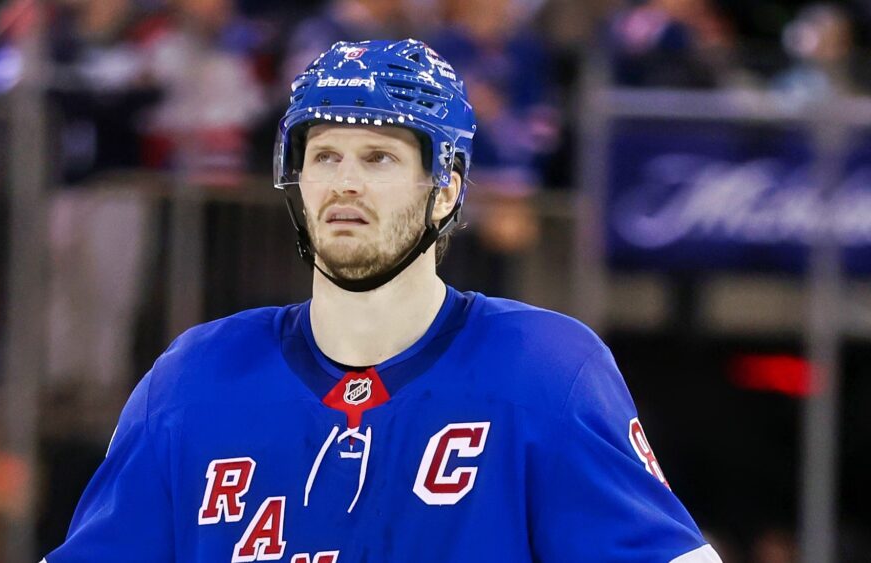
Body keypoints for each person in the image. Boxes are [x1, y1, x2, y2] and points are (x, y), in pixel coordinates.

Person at [41, 39, 722, 562]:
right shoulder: (191, 381)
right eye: (326, 155)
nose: (344, 182)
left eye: (379, 157)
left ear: (447, 188)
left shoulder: (545, 371)